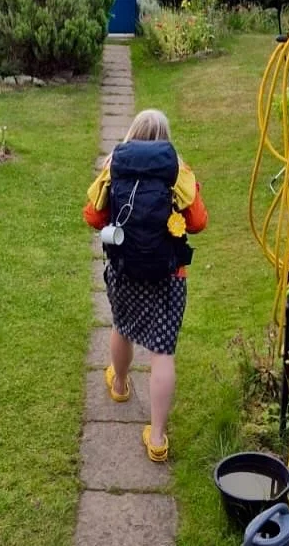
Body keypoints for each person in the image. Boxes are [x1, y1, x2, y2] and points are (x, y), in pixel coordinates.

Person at [83, 108, 208, 463]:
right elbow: (198, 222)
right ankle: (156, 438)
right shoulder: (178, 170)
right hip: (169, 276)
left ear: (132, 133)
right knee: (162, 352)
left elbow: (92, 216)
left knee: (122, 327)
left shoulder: (114, 166)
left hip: (125, 270)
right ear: (166, 139)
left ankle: (120, 385)